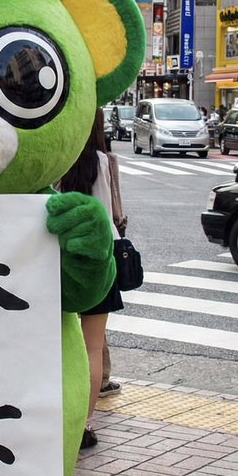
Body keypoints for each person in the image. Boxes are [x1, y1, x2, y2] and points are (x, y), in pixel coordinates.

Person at [58, 108, 123, 449]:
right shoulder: (104, 161)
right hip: (102, 255)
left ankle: (59, 415)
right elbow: (115, 211)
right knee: (93, 347)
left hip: (63, 257)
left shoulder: (58, 158)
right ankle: (82, 425)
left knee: (62, 343)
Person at [99, 141, 127, 400]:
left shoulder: (67, 161)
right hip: (106, 243)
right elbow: (115, 205)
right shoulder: (106, 160)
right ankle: (103, 379)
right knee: (96, 330)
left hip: (68, 246)